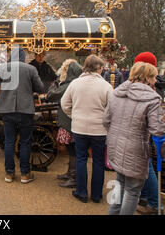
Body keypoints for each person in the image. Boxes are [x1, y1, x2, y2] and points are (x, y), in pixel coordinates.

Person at [104, 62, 165, 215]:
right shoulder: (152, 98)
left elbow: (106, 120)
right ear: (148, 78)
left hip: (115, 145)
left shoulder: (117, 92)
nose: (155, 82)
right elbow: (157, 129)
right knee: (133, 191)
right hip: (136, 148)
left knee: (119, 184)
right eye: (154, 78)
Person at [61, 54, 113, 203]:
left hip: (79, 128)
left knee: (81, 159)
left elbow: (65, 104)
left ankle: (82, 192)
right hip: (99, 129)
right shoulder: (106, 86)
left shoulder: (75, 84)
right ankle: (96, 195)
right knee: (98, 161)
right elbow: (112, 108)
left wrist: (74, 115)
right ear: (99, 68)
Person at [0, 47, 44, 183]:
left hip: (7, 110)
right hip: (25, 110)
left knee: (9, 141)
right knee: (25, 142)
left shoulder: (3, 68)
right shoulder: (30, 69)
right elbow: (40, 88)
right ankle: (25, 174)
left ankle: (9, 173)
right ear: (23, 56)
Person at [133, 52, 165, 214]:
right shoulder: (154, 86)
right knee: (144, 166)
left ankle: (154, 203)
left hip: (147, 133)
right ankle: (144, 196)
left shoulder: (154, 89)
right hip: (144, 131)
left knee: (147, 167)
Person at [47, 59, 82, 188]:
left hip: (68, 121)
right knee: (72, 149)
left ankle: (73, 177)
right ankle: (70, 173)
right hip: (72, 121)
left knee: (73, 150)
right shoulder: (76, 83)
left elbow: (51, 95)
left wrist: (55, 84)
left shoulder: (68, 85)